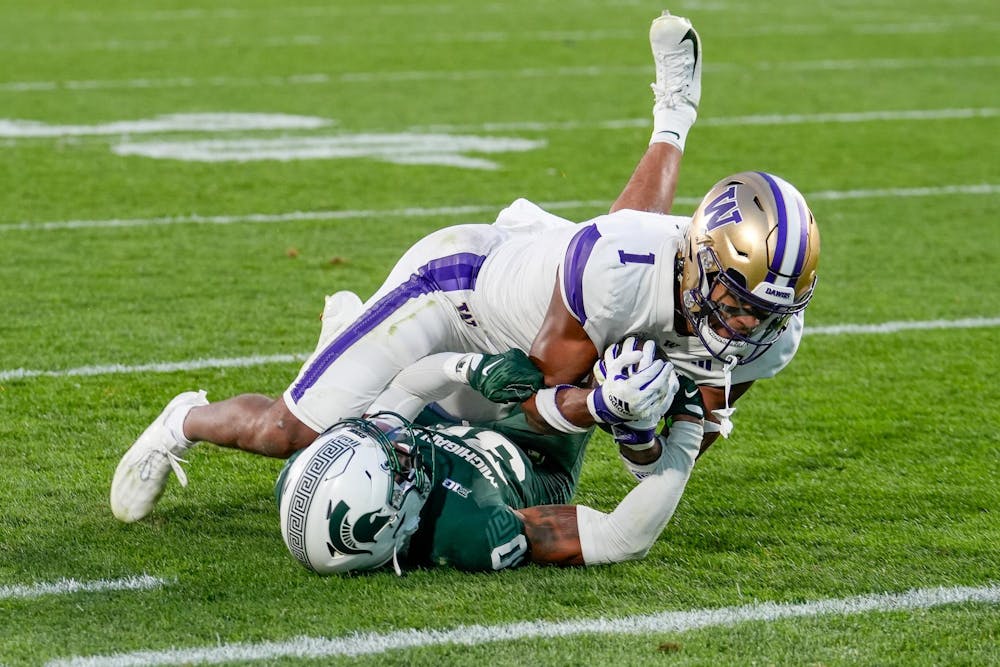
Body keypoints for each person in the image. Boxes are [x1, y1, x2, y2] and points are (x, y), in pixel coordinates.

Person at [111, 11, 820, 524]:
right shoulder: (621, 263)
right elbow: (544, 386)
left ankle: (673, 113)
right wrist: (612, 405)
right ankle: (184, 421)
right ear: (701, 263)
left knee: (532, 419)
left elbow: (680, 445)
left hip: (570, 288)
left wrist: (639, 427)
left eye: (762, 311)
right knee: (298, 435)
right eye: (734, 300)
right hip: (461, 293)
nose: (741, 323)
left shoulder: (767, 335)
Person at [276, 341, 705, 573]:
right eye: (399, 464)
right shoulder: (473, 531)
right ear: (388, 522)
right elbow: (622, 539)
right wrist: (688, 428)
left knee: (358, 385)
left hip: (449, 421)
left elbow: (406, 390)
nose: (399, 444)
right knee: (619, 360)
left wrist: (468, 368)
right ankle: (630, 422)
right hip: (535, 454)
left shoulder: (302, 482)